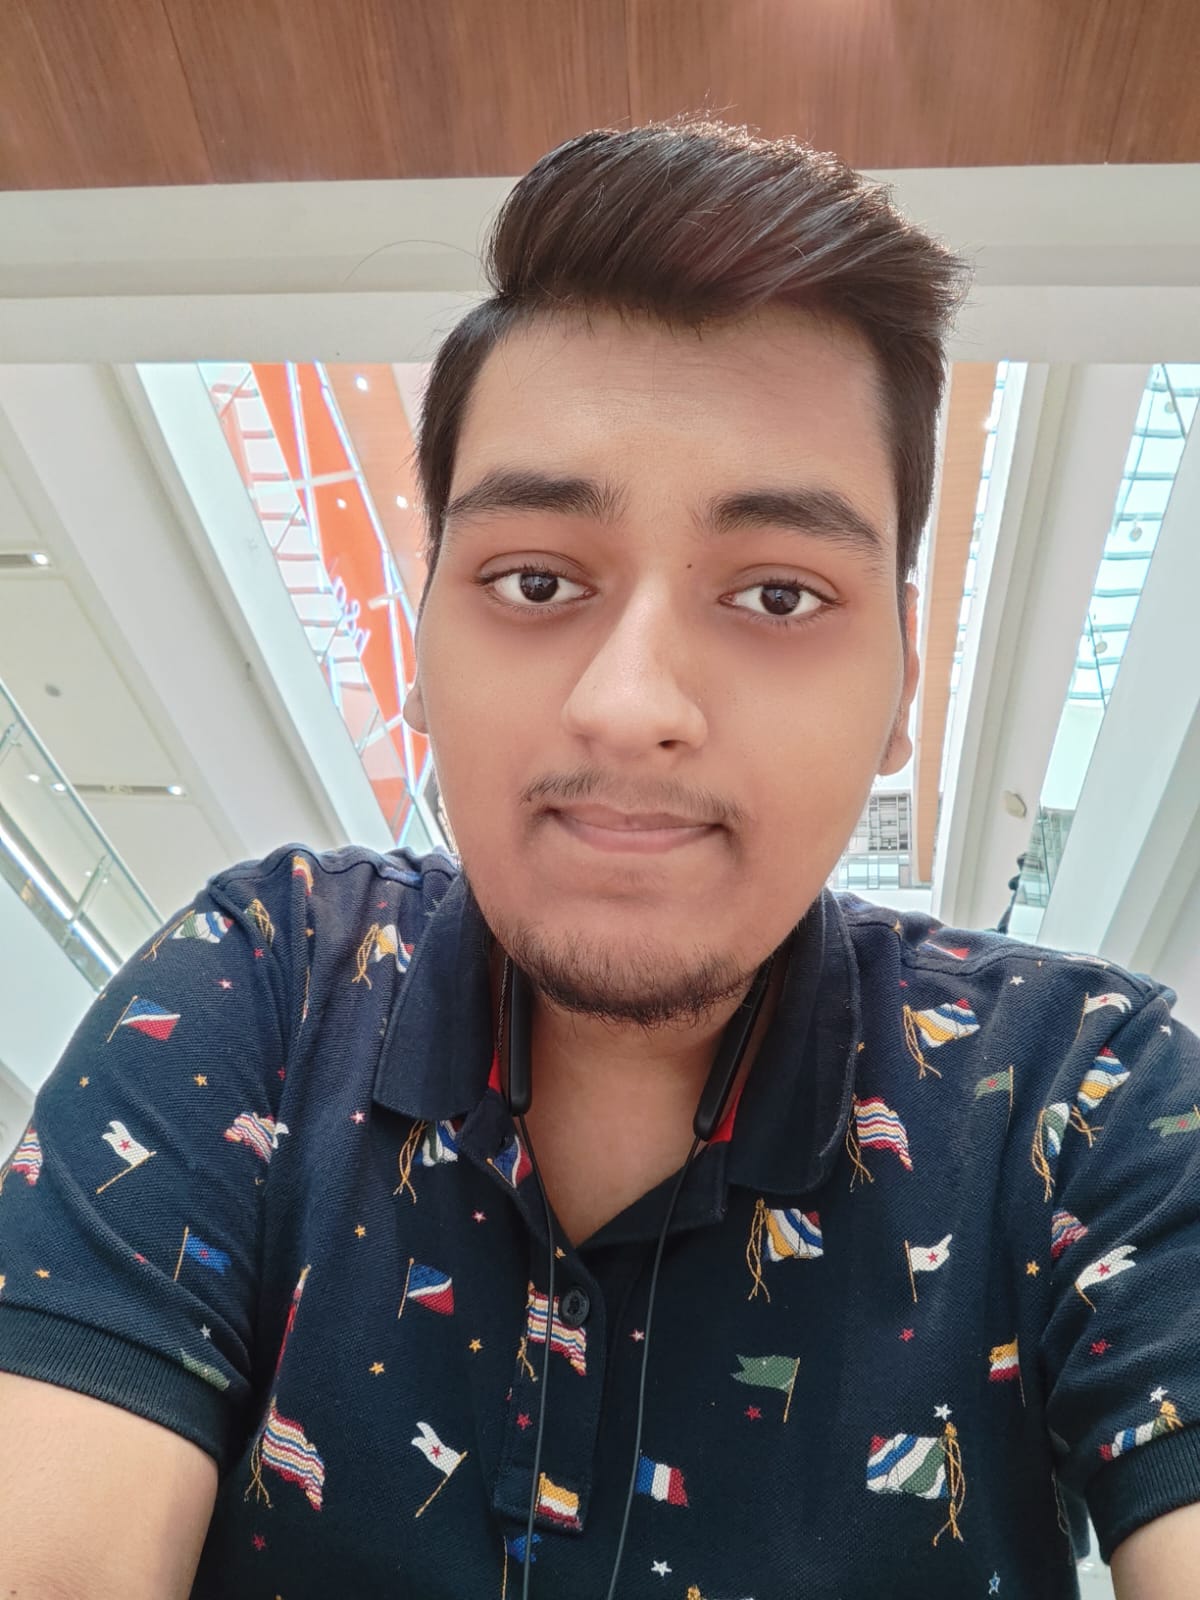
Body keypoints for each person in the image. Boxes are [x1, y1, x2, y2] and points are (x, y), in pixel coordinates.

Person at [1, 118, 1197, 1600]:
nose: (632, 706)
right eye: (534, 579)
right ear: (422, 636)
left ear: (902, 682)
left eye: (776, 594)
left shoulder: (1083, 1098)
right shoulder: (260, 990)